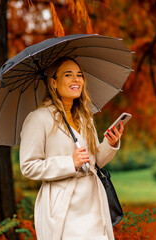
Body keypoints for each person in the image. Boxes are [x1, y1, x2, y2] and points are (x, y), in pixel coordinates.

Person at [19, 57, 124, 240]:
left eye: (79, 75)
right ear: (53, 83)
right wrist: (69, 163)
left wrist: (110, 144)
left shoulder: (85, 118)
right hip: (62, 205)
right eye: (68, 75)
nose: (76, 80)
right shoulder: (39, 118)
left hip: (92, 202)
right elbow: (28, 166)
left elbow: (93, 161)